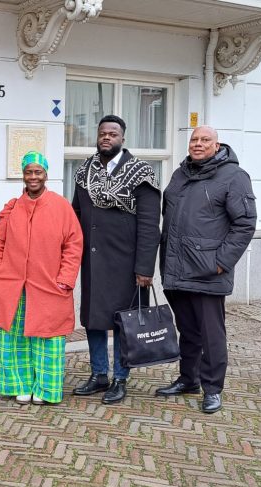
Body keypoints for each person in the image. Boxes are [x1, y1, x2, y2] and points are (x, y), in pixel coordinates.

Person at [155, 126, 257, 414]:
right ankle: (189, 379)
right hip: (176, 269)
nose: (198, 144)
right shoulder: (180, 174)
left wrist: (220, 262)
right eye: (194, 140)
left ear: (217, 145)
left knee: (212, 334)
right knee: (187, 329)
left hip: (208, 272)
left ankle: (213, 388)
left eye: (204, 140)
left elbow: (245, 224)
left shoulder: (234, 177)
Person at [71, 115, 161, 404]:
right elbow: (75, 215)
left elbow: (150, 225)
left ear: (123, 138)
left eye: (113, 133)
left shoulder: (141, 172)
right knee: (94, 320)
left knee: (126, 322)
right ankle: (99, 374)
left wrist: (145, 268)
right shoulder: (85, 171)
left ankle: (120, 378)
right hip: (93, 261)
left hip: (127, 264)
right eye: (102, 133)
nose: (106, 137)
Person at [0, 151, 83, 405]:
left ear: (46, 175)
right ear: (23, 175)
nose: (33, 176)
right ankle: (20, 385)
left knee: (48, 340)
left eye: (38, 172)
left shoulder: (61, 207)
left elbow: (73, 245)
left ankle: (46, 389)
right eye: (29, 172)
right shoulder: (13, 207)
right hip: (13, 287)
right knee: (14, 340)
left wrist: (66, 278)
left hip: (49, 286)